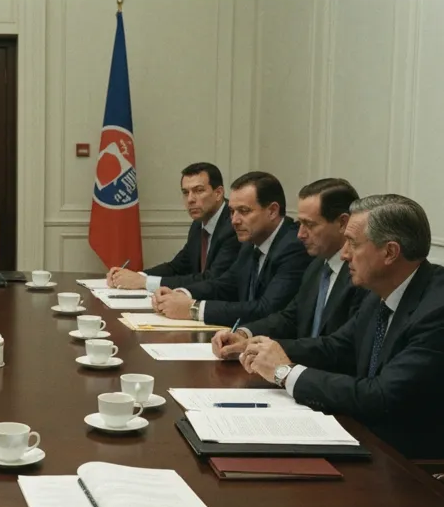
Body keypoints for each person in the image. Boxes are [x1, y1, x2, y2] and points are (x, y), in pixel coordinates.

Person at [239, 194, 444, 459]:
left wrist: (285, 373)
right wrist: (261, 348)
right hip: (367, 438)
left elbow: (381, 396)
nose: (344, 254)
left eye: (353, 243)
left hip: (409, 462)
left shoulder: (436, 310)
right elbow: (336, 347)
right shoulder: (381, 291)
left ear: (390, 252)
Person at [211, 178, 368, 358]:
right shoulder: (317, 265)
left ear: (342, 223)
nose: (300, 234)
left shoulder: (362, 275)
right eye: (300, 224)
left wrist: (272, 349)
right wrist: (244, 334)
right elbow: (291, 318)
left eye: (310, 225)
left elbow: (340, 348)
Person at [151, 171, 311, 326]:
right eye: (232, 211)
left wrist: (194, 309)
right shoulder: (251, 241)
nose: (234, 220)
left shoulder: (294, 247)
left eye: (244, 211)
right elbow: (227, 284)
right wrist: (181, 293)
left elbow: (266, 309)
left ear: (272, 211)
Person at [107, 162, 239, 290]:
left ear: (218, 193)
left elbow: (212, 279)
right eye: (185, 192)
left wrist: (144, 282)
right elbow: (177, 267)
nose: (190, 199)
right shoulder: (198, 224)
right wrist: (138, 276)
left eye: (198, 191)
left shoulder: (234, 225)